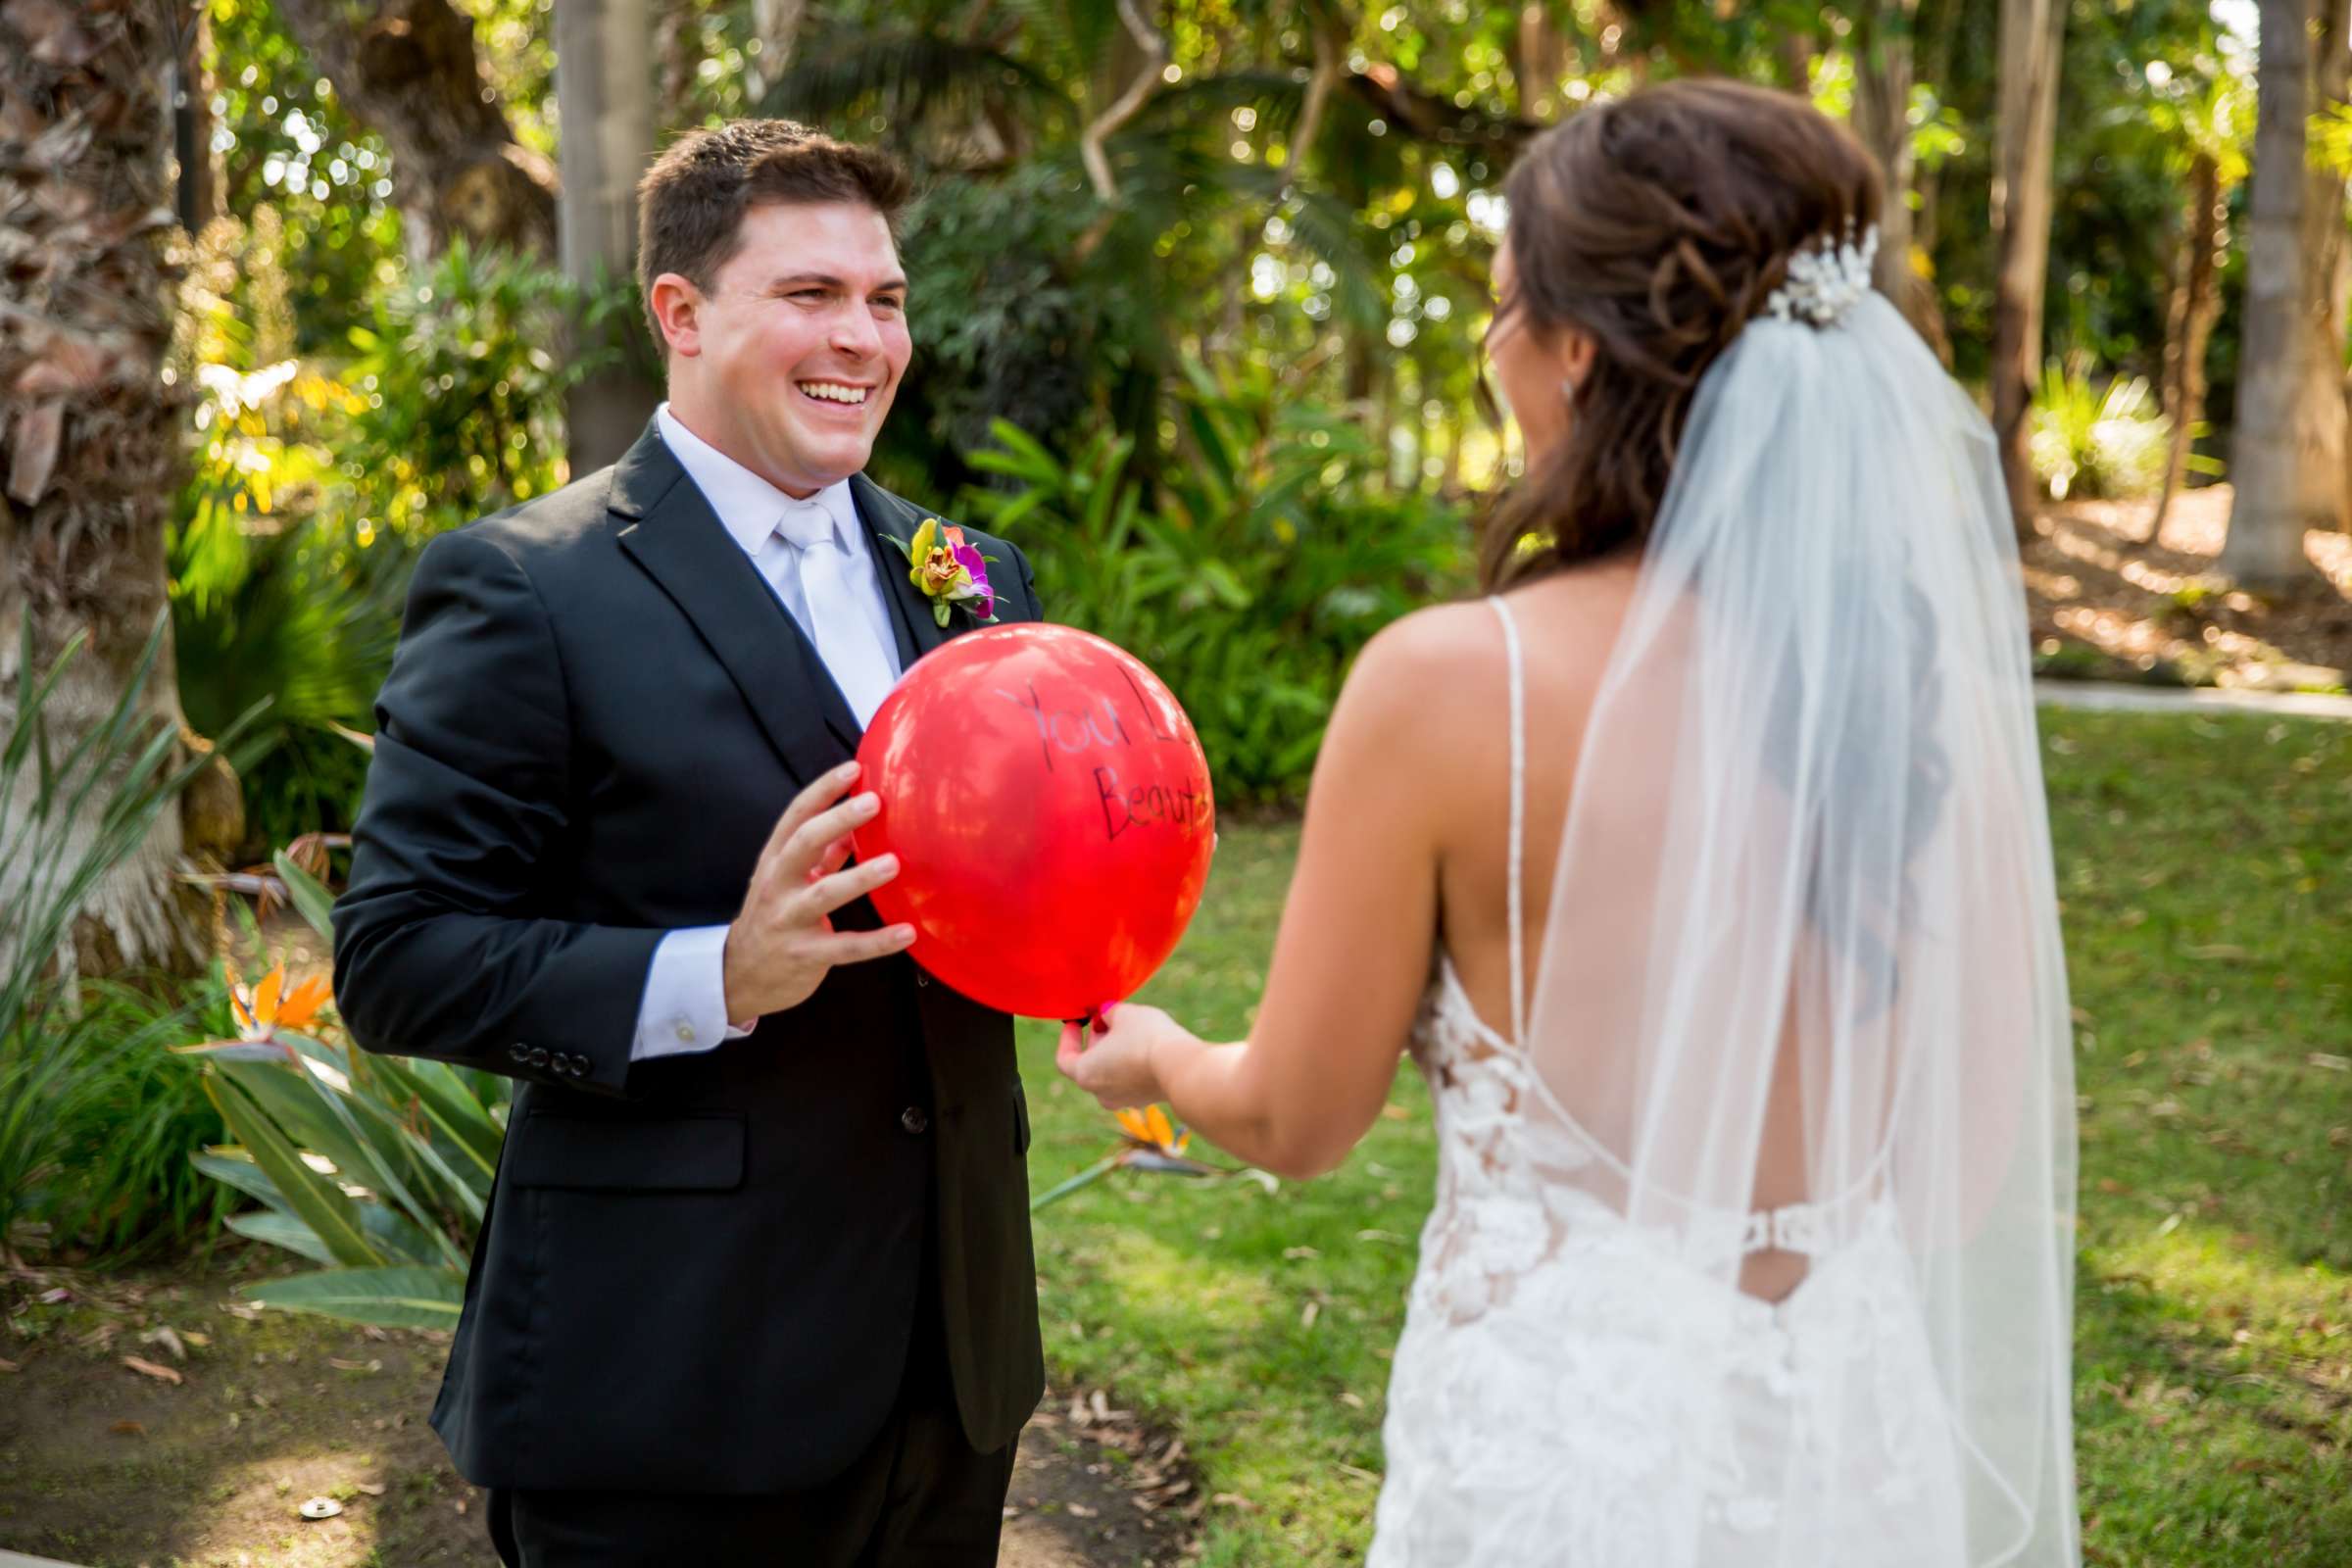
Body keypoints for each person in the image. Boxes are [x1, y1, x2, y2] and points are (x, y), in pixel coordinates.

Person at [1059, 79, 2080, 1566]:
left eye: (1499, 310)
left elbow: (1298, 1116)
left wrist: (1154, 1059)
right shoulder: (1915, 701)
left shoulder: (1454, 690)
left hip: (1565, 1459)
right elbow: (1968, 1168)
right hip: (1857, 1449)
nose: (1489, 352)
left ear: (1576, 353)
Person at [332, 121, 1046, 1565]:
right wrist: (718, 971)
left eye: (886, 300)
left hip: (950, 1370)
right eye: (811, 296)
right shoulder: (524, 587)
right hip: (674, 1382)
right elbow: (398, 958)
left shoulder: (973, 578)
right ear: (681, 312)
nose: (865, 337)